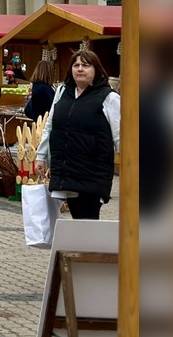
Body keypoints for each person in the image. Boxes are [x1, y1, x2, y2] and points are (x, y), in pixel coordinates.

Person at [34, 50, 120, 220]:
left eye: (86, 65)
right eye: (76, 65)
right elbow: (50, 125)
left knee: (88, 218)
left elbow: (120, 135)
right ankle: (83, 247)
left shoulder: (109, 98)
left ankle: (90, 247)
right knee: (77, 216)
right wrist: (41, 155)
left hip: (93, 171)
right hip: (66, 169)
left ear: (96, 70)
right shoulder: (62, 92)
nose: (80, 69)